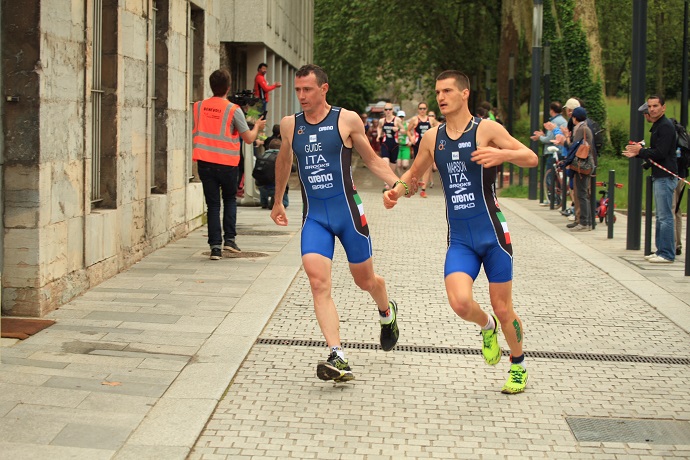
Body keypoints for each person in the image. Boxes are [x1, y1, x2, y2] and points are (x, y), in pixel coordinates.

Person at [384, 70, 537, 394]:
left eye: (448, 91)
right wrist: (396, 191)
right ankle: (486, 327)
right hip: (461, 240)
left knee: (503, 306)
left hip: (494, 235)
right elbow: (413, 174)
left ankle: (518, 364)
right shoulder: (432, 137)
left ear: (464, 94)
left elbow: (531, 157)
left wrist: (503, 154)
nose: (441, 97)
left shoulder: (486, 130)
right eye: (438, 91)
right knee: (460, 303)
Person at [271, 64, 404, 382]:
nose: (301, 96)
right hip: (314, 217)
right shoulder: (290, 125)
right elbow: (284, 160)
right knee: (318, 283)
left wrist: (398, 185)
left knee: (365, 281)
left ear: (324, 88)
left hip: (348, 216)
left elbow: (371, 159)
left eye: (308, 89)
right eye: (298, 90)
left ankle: (386, 311)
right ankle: (338, 355)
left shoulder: (346, 119)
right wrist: (277, 200)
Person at [193, 69, 266, 260]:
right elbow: (249, 139)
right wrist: (257, 126)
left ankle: (215, 247)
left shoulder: (199, 107)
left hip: (205, 162)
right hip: (227, 163)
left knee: (213, 205)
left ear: (211, 86)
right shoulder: (234, 110)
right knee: (230, 200)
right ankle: (230, 241)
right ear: (228, 87)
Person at [624, 96, 679, 263]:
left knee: (665, 216)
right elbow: (655, 153)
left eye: (656, 106)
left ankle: (667, 253)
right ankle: (660, 250)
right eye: (650, 106)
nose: (652, 109)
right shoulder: (657, 126)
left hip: (665, 176)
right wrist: (639, 153)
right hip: (659, 175)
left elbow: (661, 153)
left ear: (663, 107)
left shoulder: (665, 127)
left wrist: (640, 151)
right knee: (659, 216)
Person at [561, 107, 594, 232]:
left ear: (575, 118)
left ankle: (585, 222)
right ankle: (584, 221)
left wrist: (564, 140)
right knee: (582, 193)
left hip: (582, 165)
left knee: (581, 194)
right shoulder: (585, 127)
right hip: (585, 164)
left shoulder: (581, 129)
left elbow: (573, 147)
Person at [530, 101, 568, 206]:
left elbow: (550, 138)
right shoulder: (563, 121)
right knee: (558, 176)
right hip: (562, 151)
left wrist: (540, 137)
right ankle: (558, 198)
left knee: (550, 175)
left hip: (553, 151)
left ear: (551, 110)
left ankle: (553, 199)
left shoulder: (554, 122)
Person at [407, 103, 440, 197]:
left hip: (428, 146)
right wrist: (411, 138)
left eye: (424, 108)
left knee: (428, 167)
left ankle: (423, 189)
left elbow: (440, 126)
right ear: (418, 109)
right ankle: (412, 186)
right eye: (420, 108)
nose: (422, 110)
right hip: (418, 145)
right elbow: (408, 130)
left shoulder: (431, 120)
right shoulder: (414, 119)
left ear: (426, 109)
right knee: (416, 166)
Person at [254, 138, 289, 209]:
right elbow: (293, 168)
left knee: (263, 183)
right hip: (276, 187)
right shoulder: (280, 156)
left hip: (262, 186)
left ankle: (264, 202)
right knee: (285, 202)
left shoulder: (262, 156)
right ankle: (281, 201)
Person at [377, 103, 404, 190]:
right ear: (384, 111)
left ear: (392, 110)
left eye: (389, 109)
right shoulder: (382, 120)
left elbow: (404, 130)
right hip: (385, 143)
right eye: (386, 109)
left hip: (394, 145)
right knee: (385, 162)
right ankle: (386, 183)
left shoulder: (397, 120)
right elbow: (379, 128)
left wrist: (398, 129)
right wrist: (378, 135)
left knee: (392, 167)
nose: (388, 111)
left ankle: (390, 182)